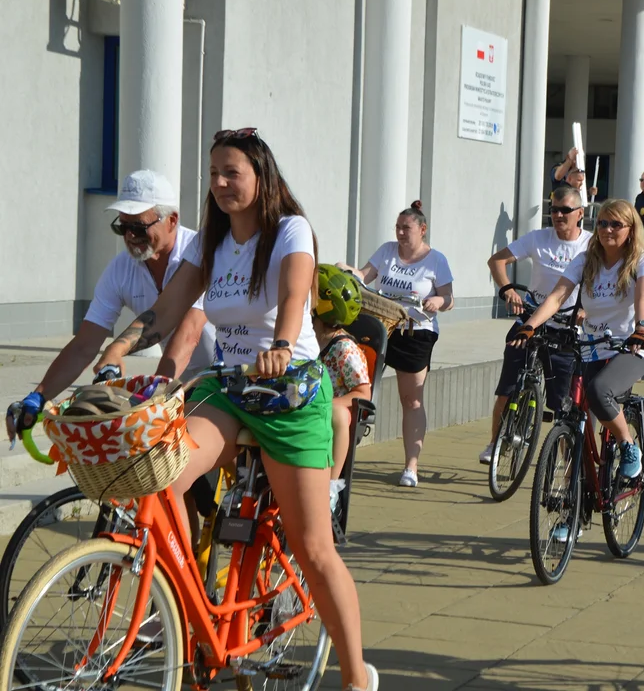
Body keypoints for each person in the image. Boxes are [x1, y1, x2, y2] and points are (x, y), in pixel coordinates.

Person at [92, 128, 378, 691]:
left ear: (260, 177)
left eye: (233, 173)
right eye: (215, 174)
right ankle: (193, 617)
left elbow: (295, 295)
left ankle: (355, 676)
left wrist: (281, 344)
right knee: (160, 475)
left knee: (313, 548)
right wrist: (120, 346)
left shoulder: (289, 230)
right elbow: (167, 309)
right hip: (230, 388)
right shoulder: (209, 243)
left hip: (289, 390)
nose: (221, 184)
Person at [5, 169, 215, 442]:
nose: (129, 236)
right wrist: (38, 395)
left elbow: (189, 336)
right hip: (178, 379)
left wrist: (149, 406)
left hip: (224, 374)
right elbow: (83, 346)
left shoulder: (199, 252)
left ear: (172, 220)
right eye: (122, 226)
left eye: (139, 227)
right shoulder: (120, 268)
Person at [510, 199, 644, 484]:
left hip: (631, 344)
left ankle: (628, 445)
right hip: (591, 344)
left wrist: (641, 327)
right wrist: (529, 325)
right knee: (577, 421)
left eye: (616, 224)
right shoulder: (586, 259)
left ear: (630, 228)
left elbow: (643, 297)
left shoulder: (642, 258)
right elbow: (557, 297)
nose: (607, 230)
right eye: (602, 223)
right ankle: (572, 506)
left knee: (600, 390)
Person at [480, 186, 592, 464]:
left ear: (580, 213)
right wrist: (507, 289)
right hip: (531, 319)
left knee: (564, 404)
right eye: (553, 209)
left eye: (565, 210)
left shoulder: (591, 245)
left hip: (566, 328)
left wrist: (588, 308)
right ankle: (495, 444)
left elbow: (605, 282)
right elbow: (496, 261)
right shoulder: (538, 238)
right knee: (508, 387)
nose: (557, 215)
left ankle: (567, 466)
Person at [350, 201, 454, 488]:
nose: (400, 233)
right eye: (397, 227)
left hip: (415, 331)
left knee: (411, 399)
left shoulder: (436, 260)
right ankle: (344, 453)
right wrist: (349, 272)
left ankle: (411, 465)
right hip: (381, 326)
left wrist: (438, 301)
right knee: (357, 386)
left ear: (422, 230)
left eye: (405, 228)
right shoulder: (386, 251)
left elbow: (449, 298)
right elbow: (364, 275)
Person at [313, 263, 372, 502]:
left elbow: (363, 393)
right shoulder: (306, 341)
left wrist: (330, 403)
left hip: (335, 409)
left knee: (337, 413)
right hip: (308, 403)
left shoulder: (345, 349)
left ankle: (331, 487)